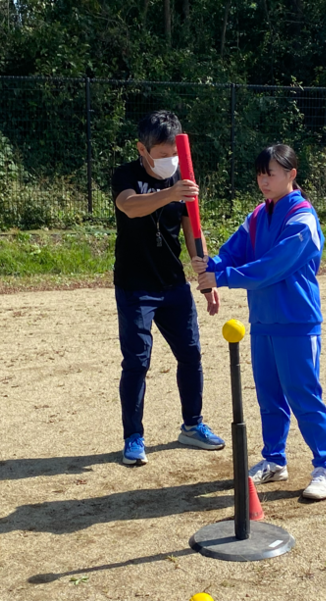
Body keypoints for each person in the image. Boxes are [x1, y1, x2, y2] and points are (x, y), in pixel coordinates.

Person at [192, 144, 326, 500]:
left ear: (291, 174)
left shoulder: (302, 218)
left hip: (297, 321)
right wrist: (211, 265)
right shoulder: (258, 215)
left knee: (304, 396)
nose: (263, 181)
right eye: (260, 174)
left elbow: (273, 266)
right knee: (269, 397)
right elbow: (233, 251)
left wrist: (223, 276)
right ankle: (274, 460)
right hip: (263, 321)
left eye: (270, 173)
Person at [111, 110, 225, 466]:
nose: (169, 160)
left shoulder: (181, 176)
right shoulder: (125, 175)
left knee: (191, 354)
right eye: (162, 154)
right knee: (137, 362)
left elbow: (193, 230)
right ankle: (133, 437)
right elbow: (129, 207)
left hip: (173, 284)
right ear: (142, 150)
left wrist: (205, 279)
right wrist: (171, 192)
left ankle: (192, 425)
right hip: (134, 286)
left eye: (174, 153)